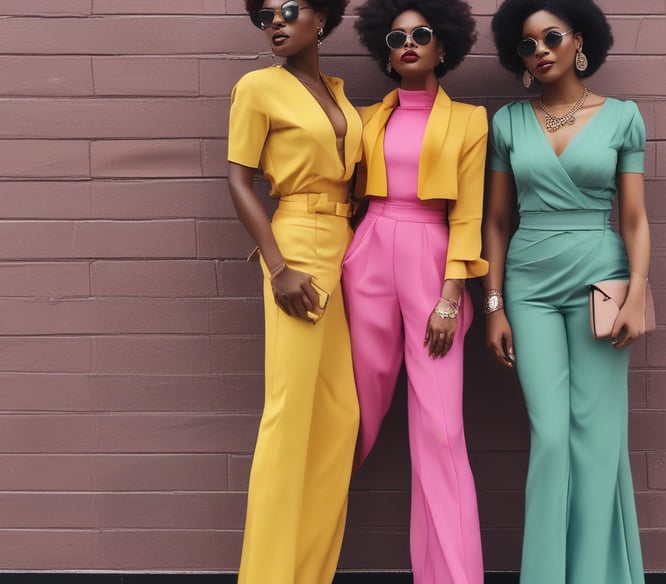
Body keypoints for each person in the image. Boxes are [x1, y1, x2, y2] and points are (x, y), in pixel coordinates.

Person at [483, 1, 650, 582]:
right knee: (552, 436)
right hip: (527, 289)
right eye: (527, 45)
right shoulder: (506, 123)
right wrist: (494, 303)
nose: (540, 51)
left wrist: (636, 293)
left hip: (601, 283)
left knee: (598, 437)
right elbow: (498, 223)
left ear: (578, 39)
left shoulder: (624, 117)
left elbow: (634, 220)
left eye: (550, 37)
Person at [342, 1, 488, 582]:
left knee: (440, 425)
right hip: (370, 251)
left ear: (443, 47)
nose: (409, 43)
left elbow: (470, 214)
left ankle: (452, 575)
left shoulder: (470, 120)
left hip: (434, 261)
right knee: (352, 411)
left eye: (422, 35)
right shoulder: (366, 118)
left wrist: (452, 297)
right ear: (384, 48)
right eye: (397, 36)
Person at [226, 0, 362, 582]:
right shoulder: (257, 86)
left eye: (288, 10)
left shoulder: (337, 89)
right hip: (298, 247)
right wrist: (277, 266)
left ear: (322, 18)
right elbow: (238, 177)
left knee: (340, 416)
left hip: (343, 243)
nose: (275, 23)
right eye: (264, 18)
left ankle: (308, 573)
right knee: (288, 415)